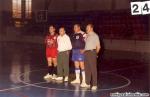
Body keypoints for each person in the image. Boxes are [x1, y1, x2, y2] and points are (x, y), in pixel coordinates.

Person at [81, 24, 101, 91]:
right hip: (86, 53)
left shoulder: (95, 35)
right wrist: (84, 50)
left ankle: (94, 85)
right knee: (87, 69)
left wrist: (95, 53)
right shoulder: (87, 36)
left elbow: (98, 46)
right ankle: (87, 83)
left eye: (88, 28)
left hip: (92, 52)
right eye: (86, 27)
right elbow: (87, 46)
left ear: (91, 28)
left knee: (93, 69)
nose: (86, 29)